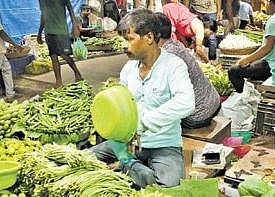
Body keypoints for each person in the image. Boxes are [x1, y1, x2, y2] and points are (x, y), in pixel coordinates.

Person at [90, 8, 195, 188]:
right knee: (82, 161)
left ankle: (128, 167)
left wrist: (143, 123)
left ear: (149, 38)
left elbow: (186, 103)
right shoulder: (128, 70)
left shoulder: (173, 65)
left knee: (168, 186)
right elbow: (118, 107)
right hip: (124, 145)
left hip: (163, 146)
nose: (124, 45)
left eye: (129, 39)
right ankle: (130, 165)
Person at [155, 12, 221, 129]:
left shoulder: (167, 54)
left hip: (198, 115)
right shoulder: (175, 44)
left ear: (151, 36)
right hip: (214, 103)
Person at [228, 0, 275, 93]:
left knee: (233, 71)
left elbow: (267, 48)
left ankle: (245, 98)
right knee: (251, 65)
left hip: (272, 65)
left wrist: (246, 60)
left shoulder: (274, 19)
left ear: (270, 2)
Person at [37, 0, 83, 87]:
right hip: (49, 31)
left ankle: (77, 73)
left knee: (64, 55)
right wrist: (39, 33)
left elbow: (70, 7)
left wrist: (74, 26)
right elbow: (43, 14)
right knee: (53, 56)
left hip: (61, 30)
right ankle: (59, 81)